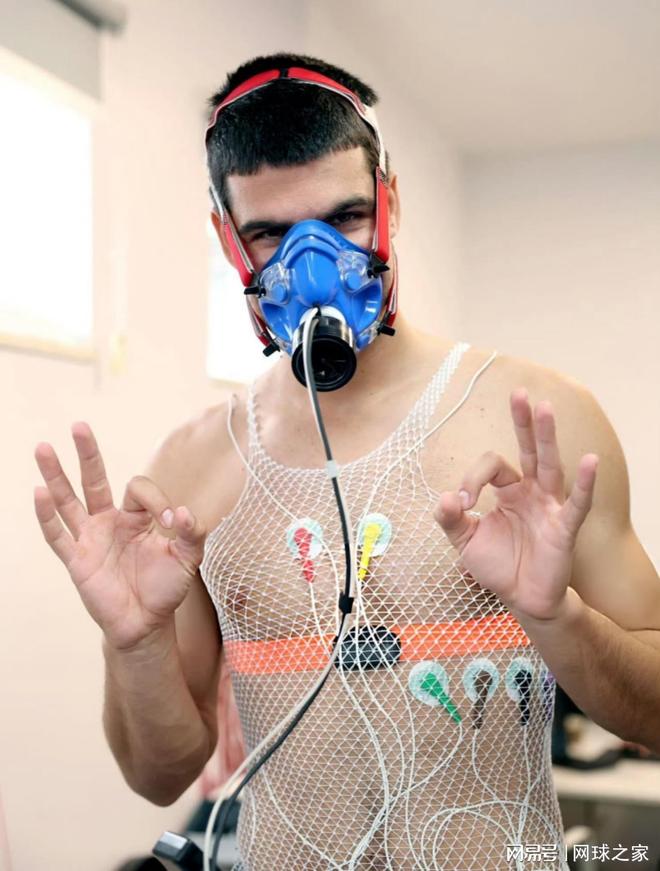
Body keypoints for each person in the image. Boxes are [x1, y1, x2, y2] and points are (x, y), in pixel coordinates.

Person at [33, 52, 660, 871]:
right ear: (229, 242)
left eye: (347, 216)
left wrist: (558, 619)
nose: (316, 264)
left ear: (390, 203)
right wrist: (134, 643)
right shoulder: (190, 469)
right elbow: (159, 776)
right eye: (270, 234)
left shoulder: (536, 420)